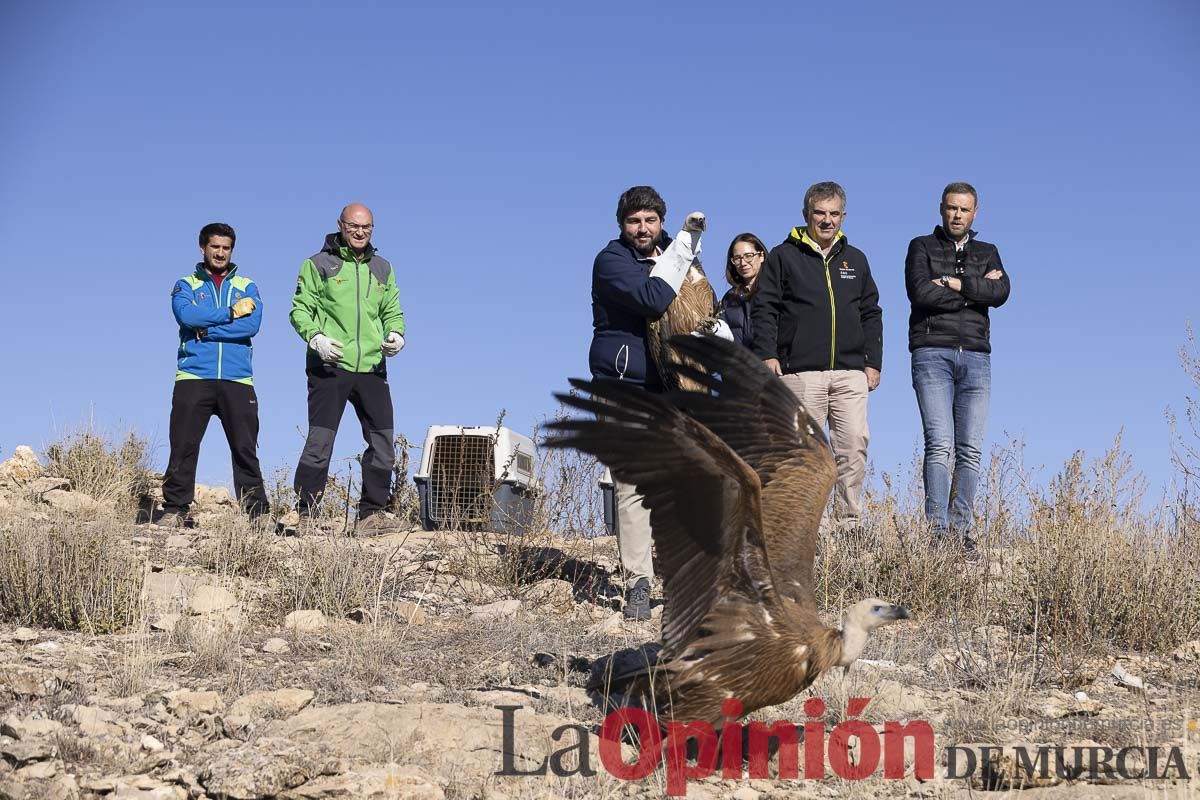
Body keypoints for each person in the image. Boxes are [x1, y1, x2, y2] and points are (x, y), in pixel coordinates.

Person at [590, 185, 705, 619]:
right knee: (633, 484)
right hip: (625, 382)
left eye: (650, 220)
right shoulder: (612, 261)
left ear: (660, 222)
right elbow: (652, 298)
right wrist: (685, 249)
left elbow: (697, 307)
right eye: (634, 221)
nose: (642, 228)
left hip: (673, 386)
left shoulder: (673, 259)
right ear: (622, 225)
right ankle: (638, 581)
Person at [751, 181, 883, 539]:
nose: (827, 221)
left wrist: (874, 362)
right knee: (806, 455)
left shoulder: (855, 260)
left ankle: (849, 526)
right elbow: (765, 309)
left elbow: (871, 311)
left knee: (853, 446)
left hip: (850, 373)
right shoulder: (782, 255)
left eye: (834, 214)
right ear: (806, 214)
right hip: (800, 373)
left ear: (843, 216)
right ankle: (812, 530)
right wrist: (767, 354)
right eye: (820, 213)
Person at [289, 203, 407, 535]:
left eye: (366, 227)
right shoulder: (317, 264)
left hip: (372, 366)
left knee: (383, 441)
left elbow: (392, 310)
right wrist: (316, 339)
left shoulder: (383, 268)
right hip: (330, 364)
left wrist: (396, 333)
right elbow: (300, 309)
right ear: (340, 225)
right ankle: (307, 515)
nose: (360, 232)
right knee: (321, 440)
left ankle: (370, 515)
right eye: (354, 226)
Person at [905, 182, 1010, 550]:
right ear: (941, 208)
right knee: (939, 445)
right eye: (951, 208)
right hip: (932, 352)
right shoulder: (921, 246)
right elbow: (920, 292)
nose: (957, 215)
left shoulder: (988, 250)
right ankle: (937, 531)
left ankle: (961, 531)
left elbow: (1001, 293)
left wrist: (952, 283)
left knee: (970, 449)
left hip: (977, 356)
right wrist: (974, 291)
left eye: (964, 209)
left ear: (975, 212)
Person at [159, 222, 267, 527]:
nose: (220, 253)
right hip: (193, 376)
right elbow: (187, 316)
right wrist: (231, 313)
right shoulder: (186, 284)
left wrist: (206, 328)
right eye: (215, 247)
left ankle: (256, 514)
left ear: (232, 250)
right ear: (203, 248)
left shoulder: (247, 285)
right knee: (183, 445)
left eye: (226, 247)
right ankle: (175, 509)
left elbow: (252, 326)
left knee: (245, 449)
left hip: (238, 379)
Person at [721, 233, 767, 349]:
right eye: (737, 258)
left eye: (748, 256)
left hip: (772, 363)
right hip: (739, 364)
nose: (743, 263)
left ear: (761, 256)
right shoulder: (729, 299)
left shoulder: (775, 291)